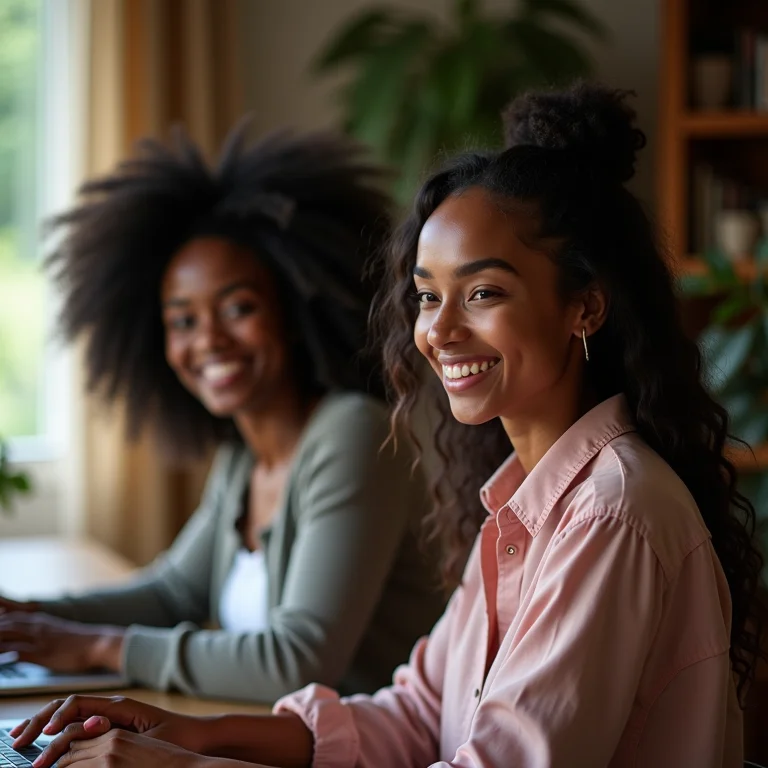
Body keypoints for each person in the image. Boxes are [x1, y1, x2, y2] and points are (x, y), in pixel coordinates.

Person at [10, 82, 766, 767]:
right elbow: (417, 713)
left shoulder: (611, 513)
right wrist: (194, 733)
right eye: (428, 297)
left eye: (484, 293)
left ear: (585, 307)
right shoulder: (524, 503)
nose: (438, 332)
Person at [0, 125, 446, 703]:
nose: (208, 340)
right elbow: (172, 595)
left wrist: (98, 647)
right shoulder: (244, 456)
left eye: (238, 308)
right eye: (183, 320)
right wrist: (27, 619)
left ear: (294, 309)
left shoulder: (353, 434)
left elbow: (296, 662)